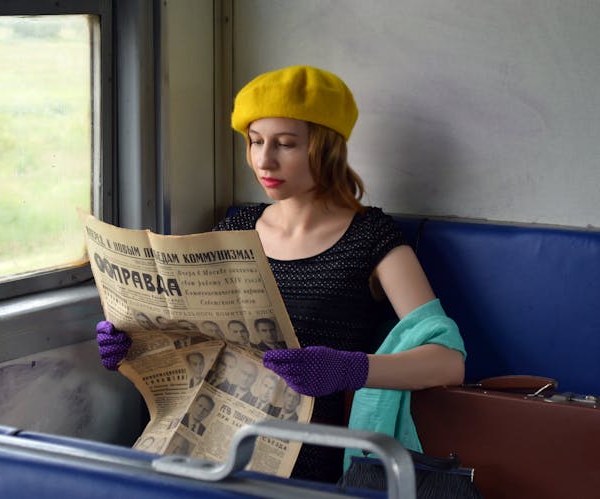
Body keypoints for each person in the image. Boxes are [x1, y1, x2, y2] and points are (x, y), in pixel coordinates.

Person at [96, 65, 466, 483]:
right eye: (255, 142)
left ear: (325, 149)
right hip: (209, 444)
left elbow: (448, 361)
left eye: (286, 144)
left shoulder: (371, 239)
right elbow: (197, 342)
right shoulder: (234, 230)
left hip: (307, 460)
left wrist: (350, 369)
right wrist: (135, 344)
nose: (264, 160)